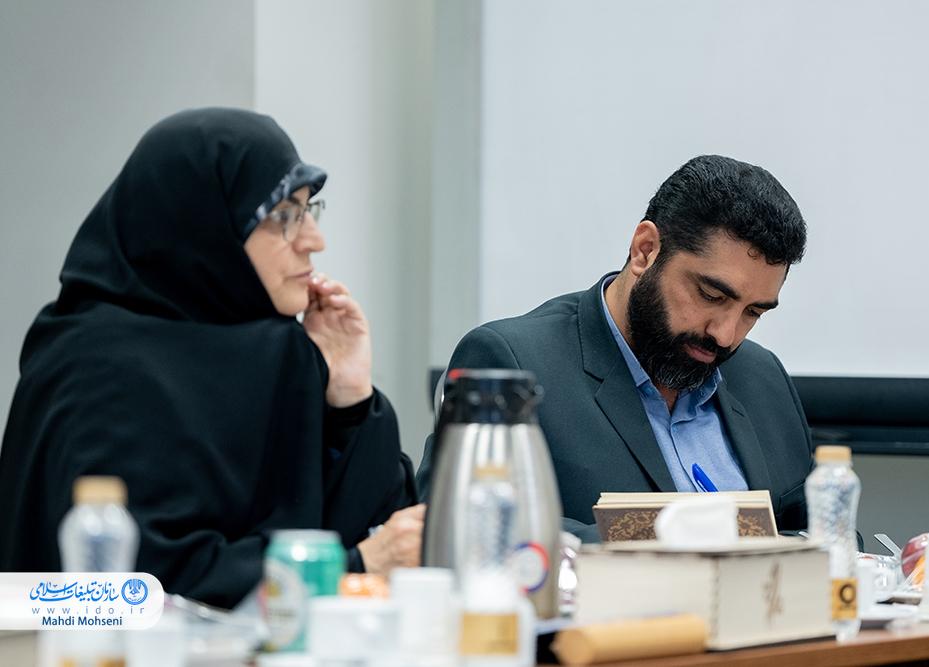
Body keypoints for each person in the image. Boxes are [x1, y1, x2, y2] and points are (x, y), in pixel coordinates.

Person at [0, 108, 423, 608]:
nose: (314, 240)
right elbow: (133, 588)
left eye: (309, 209)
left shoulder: (278, 353)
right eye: (283, 216)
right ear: (200, 225)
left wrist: (350, 399)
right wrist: (353, 568)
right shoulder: (98, 370)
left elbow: (388, 539)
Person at [418, 155, 812, 543]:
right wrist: (677, 540)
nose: (725, 335)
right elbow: (458, 523)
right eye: (710, 295)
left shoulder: (763, 378)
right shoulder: (513, 362)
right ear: (645, 250)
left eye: (753, 312)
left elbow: (818, 534)